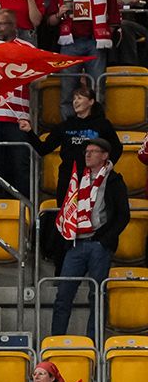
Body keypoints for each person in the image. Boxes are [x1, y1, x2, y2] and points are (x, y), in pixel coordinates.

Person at [51, 135, 129, 338]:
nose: (87, 154)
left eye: (92, 152)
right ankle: (56, 340)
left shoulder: (114, 180)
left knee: (97, 295)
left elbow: (123, 215)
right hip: (76, 242)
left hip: (98, 244)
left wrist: (105, 240)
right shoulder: (77, 178)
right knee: (63, 295)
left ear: (104, 156)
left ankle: (93, 342)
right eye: (86, 151)